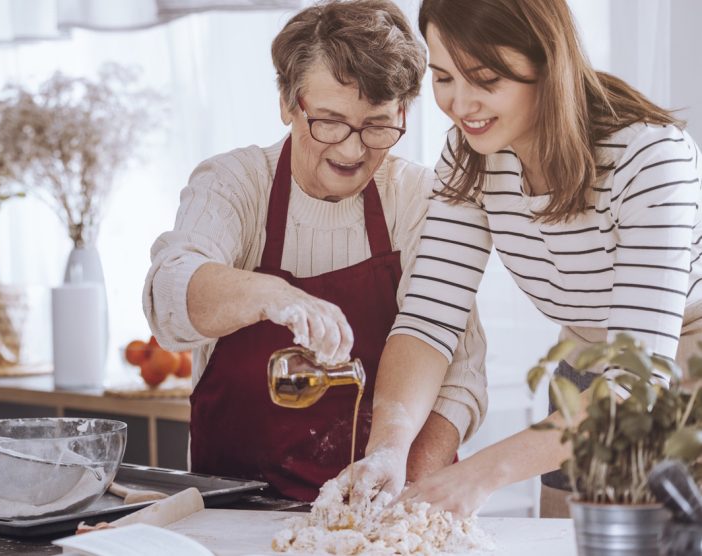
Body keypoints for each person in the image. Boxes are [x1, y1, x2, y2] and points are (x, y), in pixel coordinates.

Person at [345, 0, 702, 517]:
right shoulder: (469, 154)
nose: (461, 104)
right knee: (564, 538)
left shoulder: (650, 157)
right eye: (443, 77)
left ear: (547, 64)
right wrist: (389, 448)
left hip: (678, 369)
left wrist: (480, 472)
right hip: (586, 361)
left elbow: (637, 383)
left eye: (485, 78)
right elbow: (429, 319)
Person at [142, 0, 487, 502]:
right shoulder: (235, 184)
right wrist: (271, 295)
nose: (351, 151)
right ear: (287, 102)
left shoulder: (419, 199)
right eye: (328, 121)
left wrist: (400, 494)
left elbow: (459, 374)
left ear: (403, 112)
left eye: (376, 125)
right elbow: (169, 298)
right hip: (239, 516)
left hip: (385, 516)